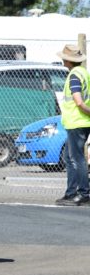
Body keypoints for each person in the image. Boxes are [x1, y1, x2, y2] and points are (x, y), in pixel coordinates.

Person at [54, 44, 90, 206]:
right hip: (79, 122)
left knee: (76, 159)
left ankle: (83, 193)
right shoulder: (83, 73)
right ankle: (71, 192)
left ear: (68, 61)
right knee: (69, 157)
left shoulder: (74, 76)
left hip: (77, 122)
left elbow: (78, 101)